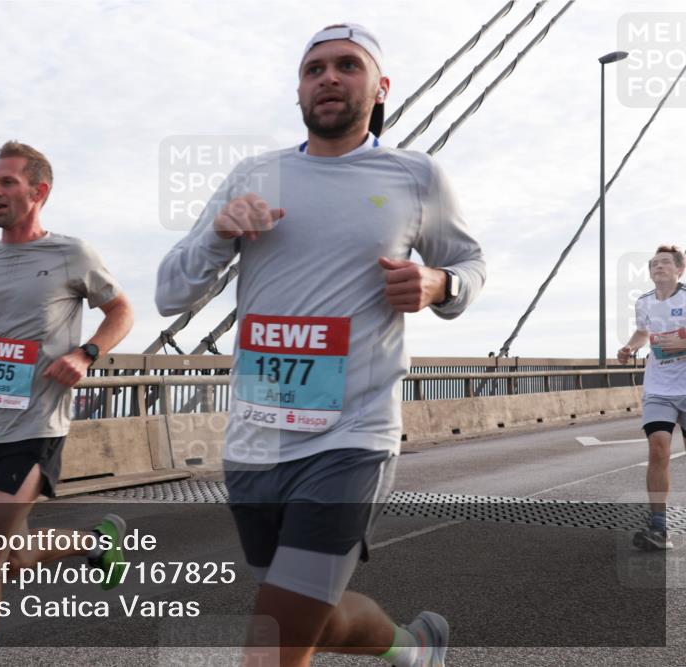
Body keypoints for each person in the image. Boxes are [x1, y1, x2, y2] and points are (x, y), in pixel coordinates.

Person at [156, 23, 485, 667]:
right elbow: (171, 292)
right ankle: (413, 649)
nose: (328, 78)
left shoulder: (415, 177)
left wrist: (439, 282)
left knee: (273, 643)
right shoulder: (255, 175)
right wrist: (219, 233)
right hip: (255, 441)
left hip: (349, 439)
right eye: (314, 70)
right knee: (310, 619)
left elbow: (470, 266)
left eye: (346, 66)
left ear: (381, 87)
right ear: (299, 91)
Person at [0, 141, 134, 667]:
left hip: (37, 424)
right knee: (6, 558)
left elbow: (121, 311)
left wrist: (87, 353)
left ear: (39, 191)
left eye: (7, 183)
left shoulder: (71, 254)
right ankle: (93, 543)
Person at [618, 244, 686, 551]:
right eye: (654, 264)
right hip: (659, 388)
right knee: (658, 449)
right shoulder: (644, 302)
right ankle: (659, 529)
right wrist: (630, 347)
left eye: (664, 263)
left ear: (679, 269)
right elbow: (643, 332)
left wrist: (676, 341)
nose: (658, 267)